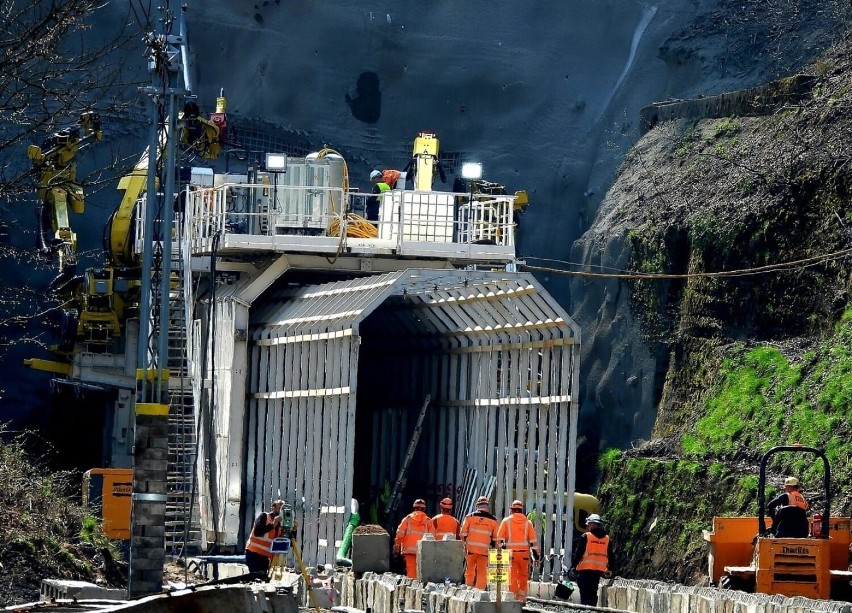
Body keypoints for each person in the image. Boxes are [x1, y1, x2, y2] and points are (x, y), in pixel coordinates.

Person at [497, 499, 540, 601]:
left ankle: (513, 598)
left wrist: (504, 552)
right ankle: (521, 599)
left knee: (512, 576)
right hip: (524, 555)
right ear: (521, 511)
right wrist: (536, 557)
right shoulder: (528, 523)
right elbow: (533, 542)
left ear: (511, 510)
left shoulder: (506, 521)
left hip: (510, 554)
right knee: (523, 576)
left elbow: (499, 540)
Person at [571, 513, 614, 606]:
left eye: (588, 525)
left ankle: (585, 609)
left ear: (592, 524)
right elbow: (611, 556)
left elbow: (578, 553)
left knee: (584, 592)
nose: (587, 527)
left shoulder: (586, 537)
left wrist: (573, 566)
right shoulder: (607, 539)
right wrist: (610, 569)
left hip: (584, 570)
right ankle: (592, 608)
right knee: (593, 591)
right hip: (598, 571)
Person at [460, 495, 498, 589]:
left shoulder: (469, 517)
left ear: (477, 506)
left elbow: (462, 533)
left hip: (471, 549)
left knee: (470, 570)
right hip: (484, 551)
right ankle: (480, 591)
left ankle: (468, 589)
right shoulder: (493, 520)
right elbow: (495, 538)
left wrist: (465, 544)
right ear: (487, 506)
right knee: (482, 572)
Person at [393, 498, 435, 578]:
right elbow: (432, 538)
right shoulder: (428, 521)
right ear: (424, 509)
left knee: (411, 573)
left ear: (414, 507)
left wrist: (396, 546)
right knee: (422, 573)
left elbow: (400, 533)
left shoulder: (407, 519)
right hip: (423, 551)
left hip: (409, 551)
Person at [244, 499, 284, 577]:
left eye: (282, 509)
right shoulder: (264, 516)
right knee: (256, 577)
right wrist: (273, 525)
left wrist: (294, 529)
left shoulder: (281, 525)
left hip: (265, 557)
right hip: (253, 554)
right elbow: (257, 532)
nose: (280, 511)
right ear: (273, 508)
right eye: (278, 508)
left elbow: (286, 542)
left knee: (262, 579)